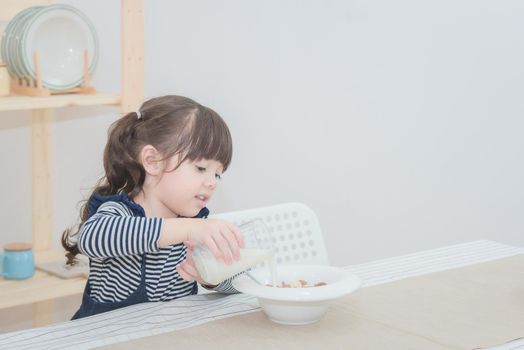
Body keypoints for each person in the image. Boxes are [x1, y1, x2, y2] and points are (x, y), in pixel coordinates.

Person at [61, 95, 244, 319]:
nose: (212, 182)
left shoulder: (196, 225)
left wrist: (212, 276)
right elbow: (92, 238)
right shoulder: (119, 211)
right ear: (152, 161)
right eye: (200, 168)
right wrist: (187, 230)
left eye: (217, 174)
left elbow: (241, 283)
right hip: (104, 337)